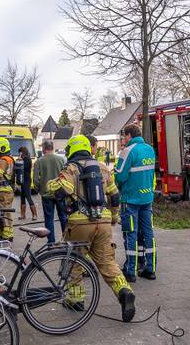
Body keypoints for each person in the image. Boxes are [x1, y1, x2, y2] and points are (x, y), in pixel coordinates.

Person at [47, 135, 136, 322]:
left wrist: (51, 184)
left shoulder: (71, 168)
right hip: (103, 222)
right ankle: (124, 291)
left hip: (79, 223)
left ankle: (76, 299)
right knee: (107, 262)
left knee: (74, 262)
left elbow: (63, 190)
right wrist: (113, 217)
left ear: (71, 149)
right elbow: (115, 196)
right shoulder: (103, 168)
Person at [115, 124, 157, 282]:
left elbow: (120, 177)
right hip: (147, 199)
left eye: (124, 136)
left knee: (130, 234)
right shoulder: (150, 149)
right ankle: (150, 268)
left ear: (129, 135)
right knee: (148, 234)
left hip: (131, 199)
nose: (123, 139)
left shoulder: (127, 151)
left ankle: (131, 271)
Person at [33, 140, 67, 243]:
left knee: (49, 218)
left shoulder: (39, 161)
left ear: (43, 148)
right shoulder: (61, 160)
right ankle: (66, 239)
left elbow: (35, 179)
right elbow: (66, 176)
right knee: (63, 217)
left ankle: (51, 242)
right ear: (52, 148)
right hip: (60, 193)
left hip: (47, 194)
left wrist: (39, 189)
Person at [17, 147, 37, 220]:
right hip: (23, 180)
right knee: (22, 198)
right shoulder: (23, 159)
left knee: (28, 197)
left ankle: (35, 215)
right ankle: (23, 215)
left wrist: (19, 161)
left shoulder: (27, 159)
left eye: (20, 153)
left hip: (27, 181)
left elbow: (23, 168)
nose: (19, 154)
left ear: (22, 152)